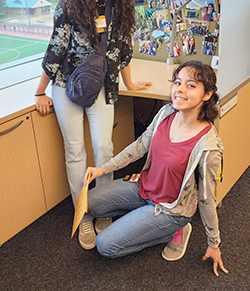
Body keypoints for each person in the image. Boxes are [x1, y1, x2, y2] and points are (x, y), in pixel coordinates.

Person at [34, 0, 151, 246]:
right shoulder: (69, 4)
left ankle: (104, 205)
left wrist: (129, 83)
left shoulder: (123, 2)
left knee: (104, 147)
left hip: (101, 84)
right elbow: (56, 49)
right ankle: (83, 213)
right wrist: (39, 92)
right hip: (65, 83)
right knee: (75, 151)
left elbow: (123, 49)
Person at [81, 60, 228, 277]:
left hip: (171, 209)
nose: (179, 89)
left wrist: (214, 242)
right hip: (144, 187)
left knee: (105, 246)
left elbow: (207, 198)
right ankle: (146, 220)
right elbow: (140, 146)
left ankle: (174, 230)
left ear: (207, 95)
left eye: (191, 85)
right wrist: (102, 169)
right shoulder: (166, 113)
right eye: (177, 82)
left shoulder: (208, 146)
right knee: (89, 202)